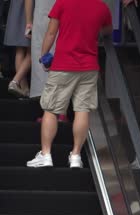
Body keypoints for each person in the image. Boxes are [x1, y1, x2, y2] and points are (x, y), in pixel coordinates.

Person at [26, 0, 112, 168]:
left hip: (63, 65)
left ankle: (46, 154)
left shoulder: (63, 3)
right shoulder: (101, 6)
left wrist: (43, 55)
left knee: (50, 109)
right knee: (82, 110)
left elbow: (51, 33)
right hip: (89, 66)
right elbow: (108, 29)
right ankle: (76, 156)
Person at [4, 0, 31, 97]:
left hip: (17, 11)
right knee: (32, 51)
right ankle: (16, 81)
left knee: (20, 51)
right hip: (29, 14)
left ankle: (24, 89)